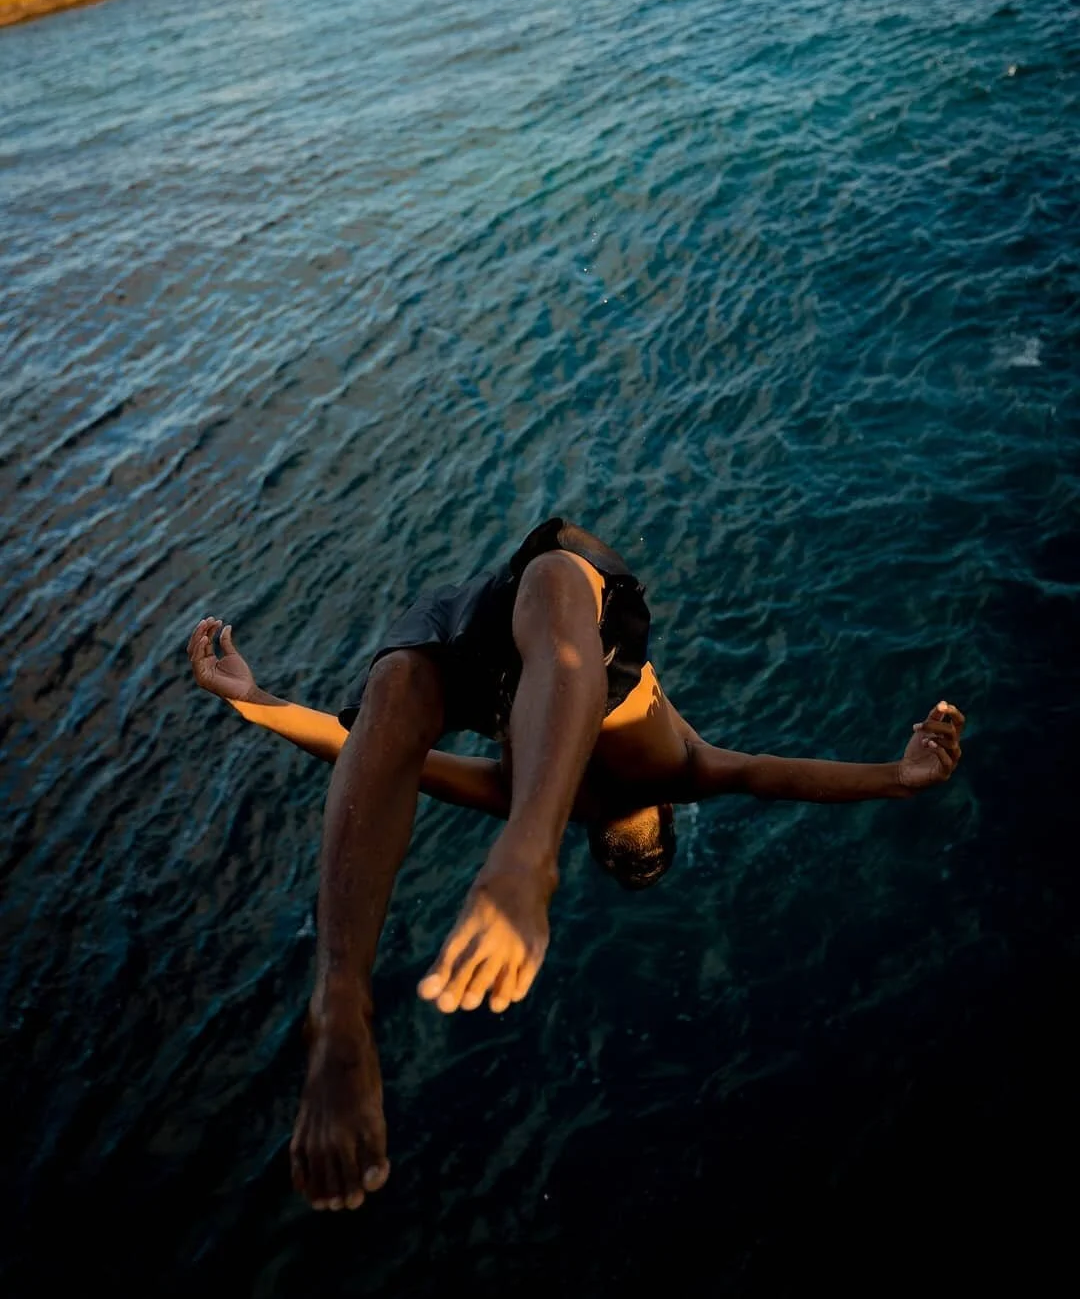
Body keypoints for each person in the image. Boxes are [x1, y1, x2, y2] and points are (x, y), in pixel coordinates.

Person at [186, 516, 965, 1213]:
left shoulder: (676, 771)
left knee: (557, 587)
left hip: (540, 635)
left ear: (661, 817)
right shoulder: (522, 786)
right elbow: (373, 754)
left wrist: (898, 778)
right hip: (471, 660)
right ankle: (339, 989)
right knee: (396, 699)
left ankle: (489, 883)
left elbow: (774, 773)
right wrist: (253, 702)